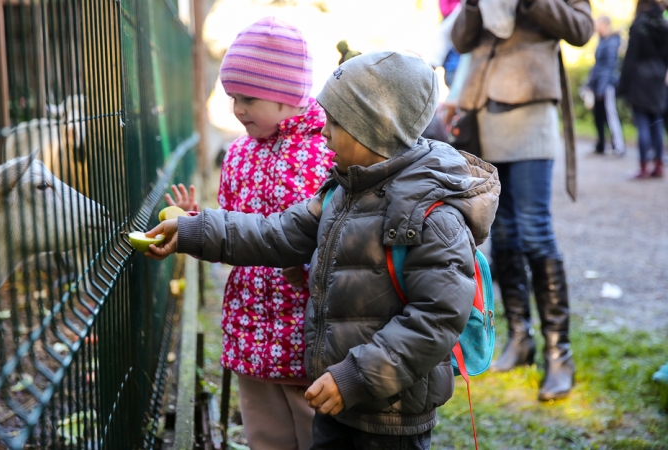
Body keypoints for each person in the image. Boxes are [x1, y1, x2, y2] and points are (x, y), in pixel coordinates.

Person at [146, 52, 499, 449]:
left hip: (390, 414)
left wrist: (354, 377)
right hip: (337, 397)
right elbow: (276, 234)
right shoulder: (343, 190)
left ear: (373, 130)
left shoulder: (432, 216)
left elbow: (436, 317)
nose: (324, 132)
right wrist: (193, 230)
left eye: (334, 122)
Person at [168, 17, 334, 450]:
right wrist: (198, 224)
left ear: (287, 96)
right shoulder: (239, 154)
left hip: (304, 331)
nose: (237, 109)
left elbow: (337, 234)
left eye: (248, 98)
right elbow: (234, 229)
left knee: (314, 433)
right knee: (265, 435)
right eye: (232, 98)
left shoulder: (326, 152)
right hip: (250, 326)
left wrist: (308, 270)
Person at [452, 0, 593, 401]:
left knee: (534, 229)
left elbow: (582, 30)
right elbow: (462, 40)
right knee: (503, 231)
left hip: (531, 108)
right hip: (483, 111)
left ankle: (558, 355)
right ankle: (519, 338)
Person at [617, 0, 668, 179]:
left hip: (639, 80)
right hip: (658, 79)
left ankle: (643, 166)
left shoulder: (639, 25)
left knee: (643, 124)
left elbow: (630, 58)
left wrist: (622, 86)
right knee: (657, 123)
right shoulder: (664, 25)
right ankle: (659, 165)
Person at [586, 15, 625, 156]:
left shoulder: (612, 41)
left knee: (610, 114)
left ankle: (619, 146)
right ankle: (601, 145)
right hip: (598, 85)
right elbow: (597, 66)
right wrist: (589, 84)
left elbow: (609, 66)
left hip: (607, 85)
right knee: (599, 116)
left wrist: (601, 87)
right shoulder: (601, 41)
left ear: (604, 24)